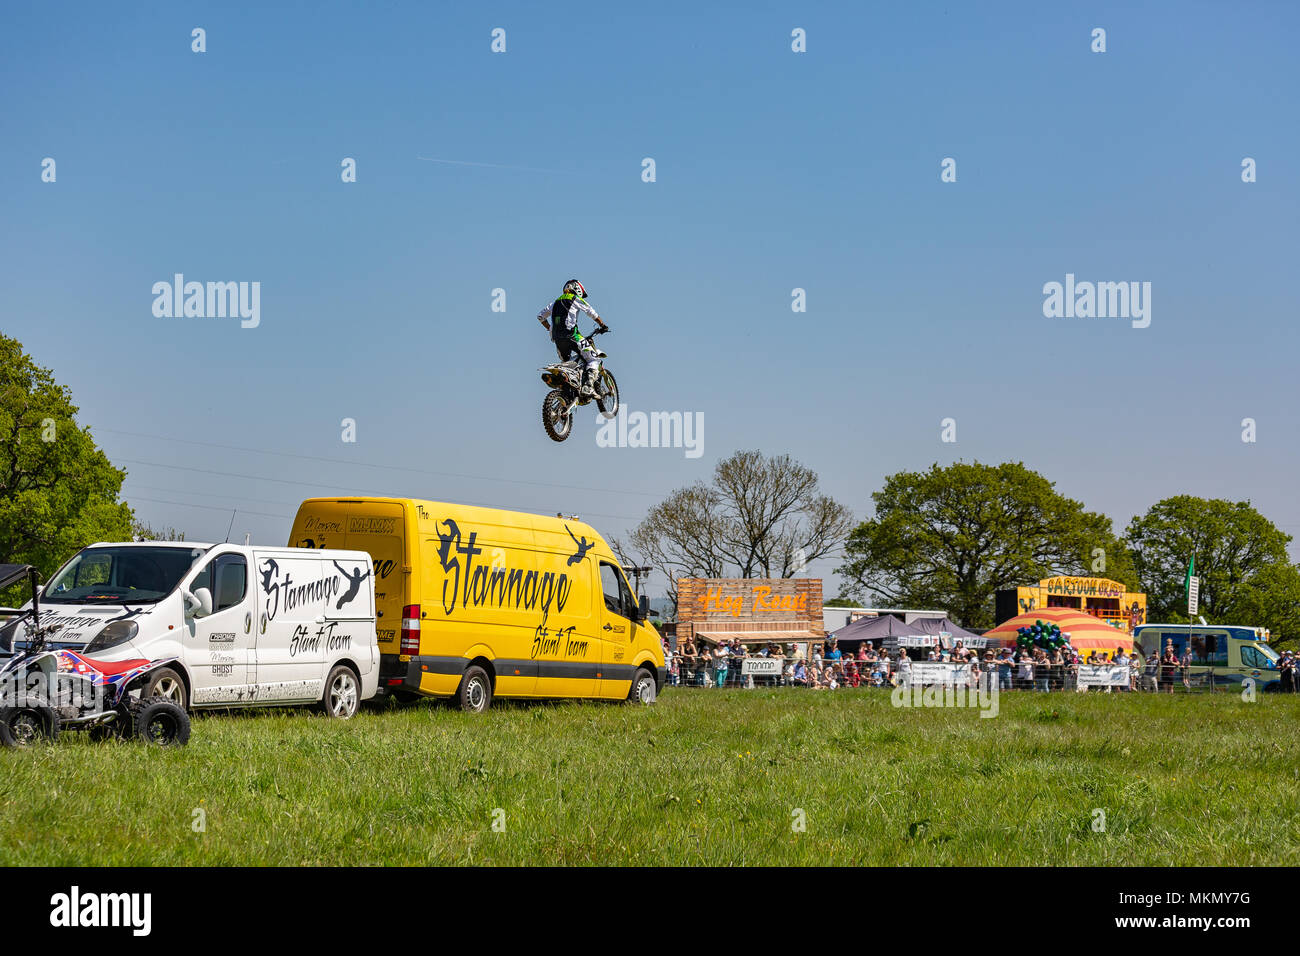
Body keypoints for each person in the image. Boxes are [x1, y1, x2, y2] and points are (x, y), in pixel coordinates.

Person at [536, 279, 608, 398]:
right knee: (593, 359)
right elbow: (591, 312)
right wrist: (602, 325)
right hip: (573, 336)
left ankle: (567, 390)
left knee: (568, 365)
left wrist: (549, 328)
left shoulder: (554, 303)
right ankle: (588, 386)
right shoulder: (575, 299)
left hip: (557, 340)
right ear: (577, 288)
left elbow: (540, 316)